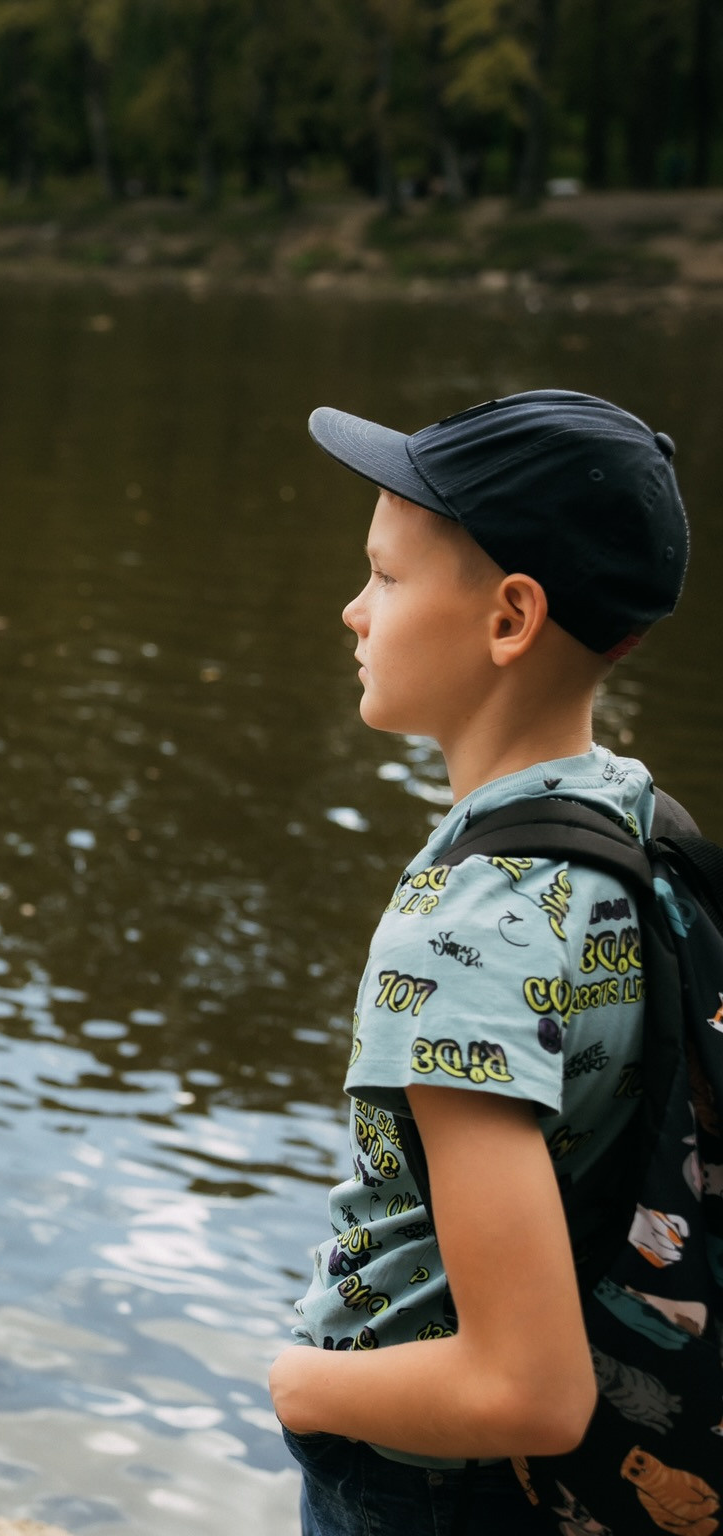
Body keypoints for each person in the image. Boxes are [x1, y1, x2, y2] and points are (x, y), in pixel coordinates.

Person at [269, 391, 691, 1533]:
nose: (354, 611)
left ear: (511, 618)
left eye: (388, 578)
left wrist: (299, 1385)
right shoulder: (644, 832)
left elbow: (526, 1388)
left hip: (424, 1484)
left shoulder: (462, 939)